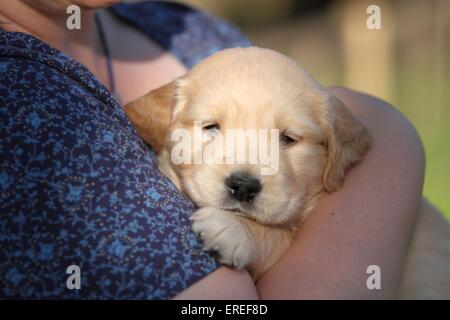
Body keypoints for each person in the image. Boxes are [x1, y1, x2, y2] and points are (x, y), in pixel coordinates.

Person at [0, 0, 424, 299]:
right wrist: (391, 142)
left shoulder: (184, 26)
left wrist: (388, 135)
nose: (244, 175)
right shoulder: (19, 94)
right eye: (213, 128)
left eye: (286, 139)